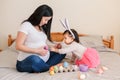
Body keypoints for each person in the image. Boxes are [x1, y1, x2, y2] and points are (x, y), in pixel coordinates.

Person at [15, 4, 66, 73]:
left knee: (62, 52)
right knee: (34, 60)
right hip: (26, 61)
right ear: (39, 16)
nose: (46, 22)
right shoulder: (26, 25)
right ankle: (48, 66)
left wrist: (52, 47)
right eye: (45, 19)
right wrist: (37, 51)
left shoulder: (42, 27)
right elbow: (18, 46)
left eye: (48, 20)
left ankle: (44, 66)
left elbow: (40, 44)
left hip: (44, 57)